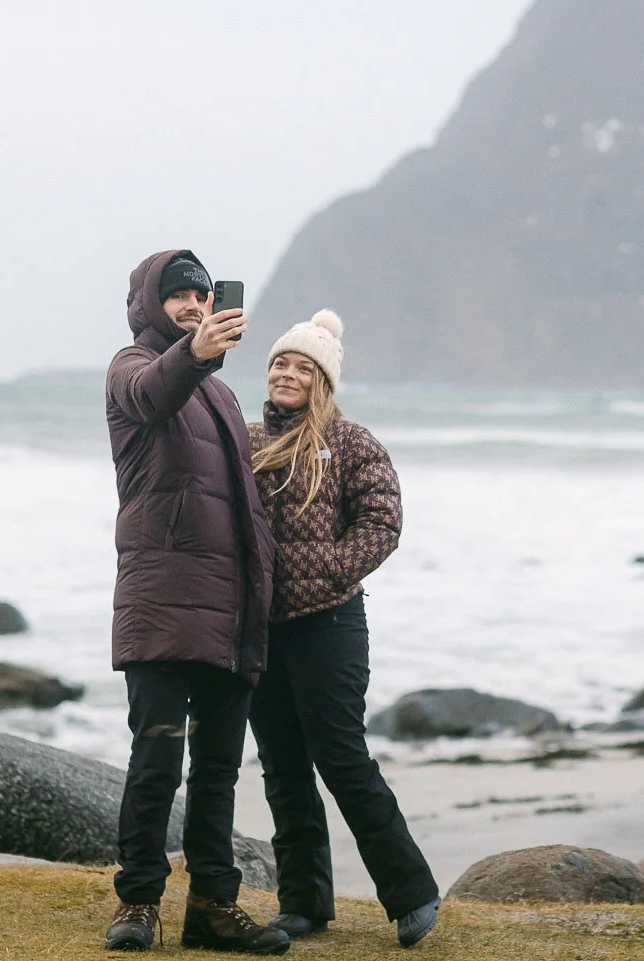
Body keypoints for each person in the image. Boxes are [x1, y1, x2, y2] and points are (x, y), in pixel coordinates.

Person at [103, 249, 289, 954]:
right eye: (178, 295)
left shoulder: (224, 396)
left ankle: (214, 904)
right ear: (151, 303)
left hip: (228, 608)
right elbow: (155, 391)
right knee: (155, 760)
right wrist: (196, 353)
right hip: (161, 602)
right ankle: (138, 902)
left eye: (202, 295)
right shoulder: (132, 365)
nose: (192, 305)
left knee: (216, 768)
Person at [246, 310, 441, 949]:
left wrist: (332, 568)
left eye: (303, 367)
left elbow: (383, 520)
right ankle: (303, 905)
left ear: (323, 380)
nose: (287, 373)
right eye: (281, 363)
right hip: (262, 629)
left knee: (341, 756)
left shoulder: (351, 442)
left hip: (330, 622)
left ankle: (412, 895)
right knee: (282, 766)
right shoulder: (244, 440)